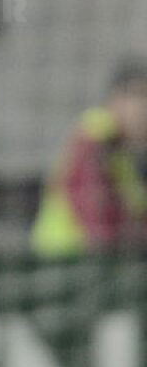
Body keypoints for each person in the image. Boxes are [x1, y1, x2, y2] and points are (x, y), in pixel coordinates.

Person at [31, 58, 147, 258]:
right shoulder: (96, 133)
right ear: (115, 100)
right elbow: (96, 211)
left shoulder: (125, 162)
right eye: (140, 96)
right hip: (65, 265)